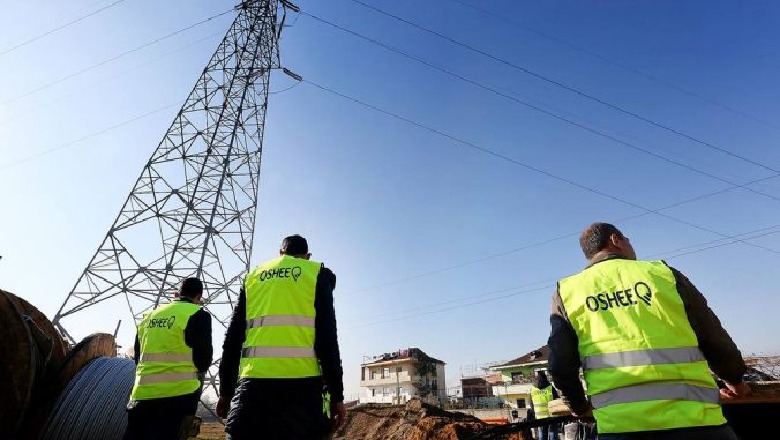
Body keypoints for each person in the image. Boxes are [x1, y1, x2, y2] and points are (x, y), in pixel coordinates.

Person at [547, 222, 750, 440]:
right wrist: (735, 381)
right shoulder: (663, 274)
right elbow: (712, 336)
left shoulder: (568, 292)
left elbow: (560, 365)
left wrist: (580, 408)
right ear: (615, 240)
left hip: (620, 428)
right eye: (627, 239)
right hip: (698, 422)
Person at [216, 234, 346, 439]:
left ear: (280, 253)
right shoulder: (316, 274)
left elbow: (232, 339)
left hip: (253, 388)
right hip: (302, 391)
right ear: (307, 255)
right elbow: (328, 339)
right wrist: (337, 396)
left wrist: (225, 391)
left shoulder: (254, 277)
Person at [123, 277, 213, 440]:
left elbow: (138, 357)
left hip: (141, 396)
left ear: (176, 294)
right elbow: (203, 361)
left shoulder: (148, 316)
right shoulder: (198, 315)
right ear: (198, 297)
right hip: (179, 398)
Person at [530, 370, 559, 440]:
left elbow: (531, 404)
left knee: (542, 434)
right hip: (552, 415)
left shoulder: (533, 389)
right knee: (553, 432)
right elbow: (557, 400)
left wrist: (535, 413)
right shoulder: (550, 388)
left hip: (540, 416)